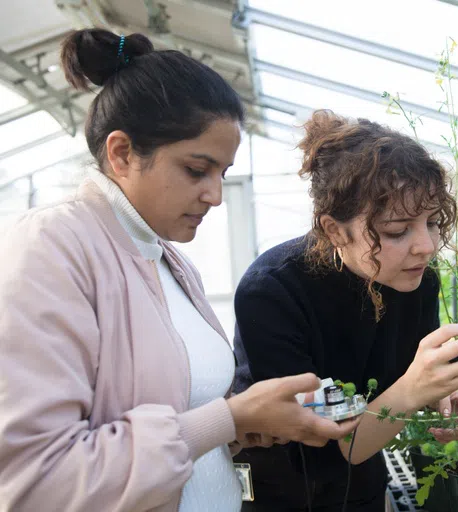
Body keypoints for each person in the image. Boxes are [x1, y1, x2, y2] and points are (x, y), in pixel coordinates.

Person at [0, 30, 357, 512]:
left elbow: (183, 426)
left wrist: (248, 425)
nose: (215, 194)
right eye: (197, 169)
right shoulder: (51, 249)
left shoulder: (169, 260)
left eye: (223, 174)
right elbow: (37, 477)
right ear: (122, 153)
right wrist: (226, 419)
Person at [233, 110, 458, 511]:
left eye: (433, 222)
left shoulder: (416, 279)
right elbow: (333, 442)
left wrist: (446, 390)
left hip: (365, 476)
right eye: (397, 230)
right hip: (283, 488)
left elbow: (401, 382)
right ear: (334, 230)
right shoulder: (272, 292)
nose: (426, 246)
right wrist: (416, 387)